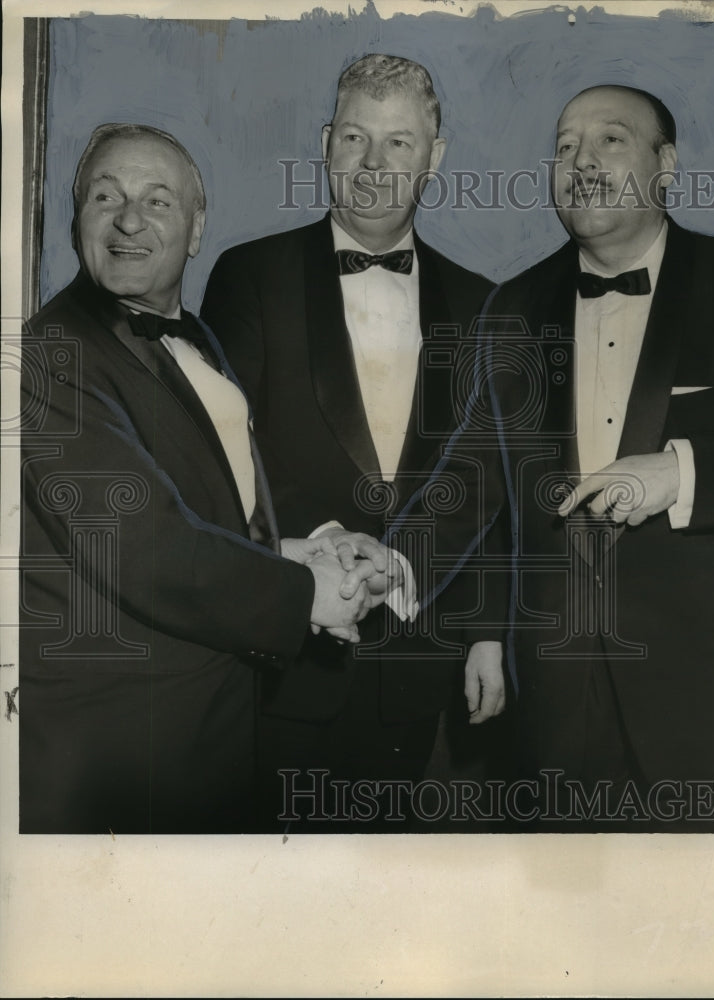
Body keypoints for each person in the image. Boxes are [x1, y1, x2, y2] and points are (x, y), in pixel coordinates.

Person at [19, 123, 378, 834]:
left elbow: (205, 504)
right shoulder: (48, 354)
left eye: (157, 201)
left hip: (214, 725)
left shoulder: (197, 336)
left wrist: (294, 548)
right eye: (105, 196)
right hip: (120, 747)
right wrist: (308, 593)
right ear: (75, 216)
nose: (128, 219)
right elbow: (141, 545)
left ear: (195, 227)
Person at [201, 54, 508, 830]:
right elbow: (220, 455)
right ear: (326, 142)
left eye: (399, 144)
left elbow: (487, 484)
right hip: (284, 654)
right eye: (356, 140)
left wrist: (485, 636)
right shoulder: (249, 275)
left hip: (415, 655)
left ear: (433, 159)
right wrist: (321, 549)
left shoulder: (481, 305)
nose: (374, 165)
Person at [484, 85, 714, 831]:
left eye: (610, 140)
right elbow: (490, 491)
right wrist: (484, 631)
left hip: (712, 684)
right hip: (552, 690)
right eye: (564, 145)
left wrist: (683, 472)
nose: (581, 160)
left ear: (665, 164)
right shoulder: (507, 308)